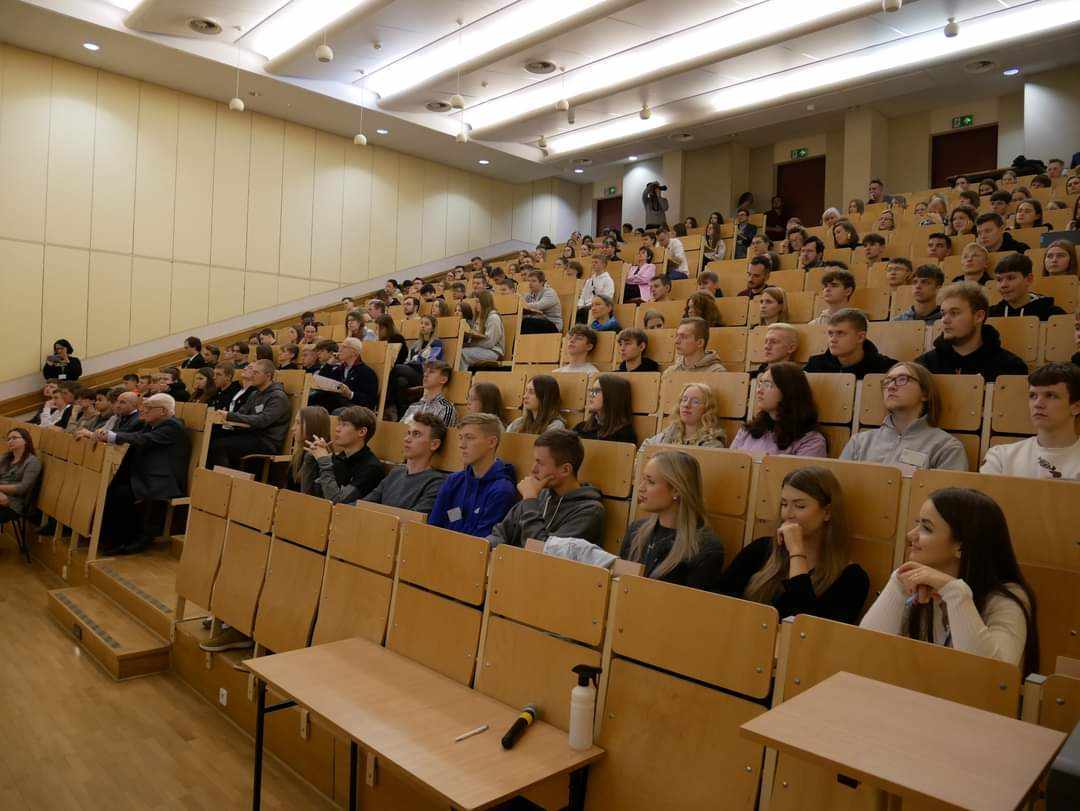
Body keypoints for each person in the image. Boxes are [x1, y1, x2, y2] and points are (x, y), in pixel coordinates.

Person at [860, 488, 1038, 673]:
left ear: (961, 546)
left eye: (926, 528)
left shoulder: (1007, 599)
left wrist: (954, 591)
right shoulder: (915, 583)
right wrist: (898, 583)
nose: (911, 535)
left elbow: (994, 675)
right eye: (917, 524)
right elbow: (865, 650)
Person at [717, 466, 869, 622]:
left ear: (827, 512)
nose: (788, 514)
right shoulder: (761, 549)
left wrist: (796, 551)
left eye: (800, 506)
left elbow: (802, 626)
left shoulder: (852, 578)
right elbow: (719, 600)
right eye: (784, 504)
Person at [97, 393, 190, 555]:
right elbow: (135, 435)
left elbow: (143, 439)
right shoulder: (153, 423)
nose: (143, 410)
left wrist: (112, 436)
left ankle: (130, 539)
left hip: (163, 480)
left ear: (163, 411)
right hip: (148, 473)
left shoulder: (173, 426)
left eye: (148, 408)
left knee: (121, 494)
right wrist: (108, 435)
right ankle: (111, 540)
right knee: (113, 488)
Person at [619, 451, 725, 590]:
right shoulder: (636, 530)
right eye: (643, 479)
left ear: (676, 490)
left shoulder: (706, 548)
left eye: (650, 482)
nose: (641, 488)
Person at [487, 429, 604, 549]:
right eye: (535, 461)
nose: (533, 469)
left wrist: (530, 500)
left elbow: (543, 551)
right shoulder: (540, 494)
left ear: (565, 470)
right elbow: (499, 534)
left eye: (540, 463)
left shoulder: (589, 511)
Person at [840, 362, 968, 471]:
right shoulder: (859, 442)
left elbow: (949, 493)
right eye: (887, 381)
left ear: (925, 393)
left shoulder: (946, 447)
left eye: (902, 379)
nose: (891, 387)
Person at [981, 362, 1080, 479]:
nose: (1038, 404)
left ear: (1076, 407)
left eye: (1050, 395)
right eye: (1033, 396)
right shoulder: (1001, 457)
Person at [915, 283, 1028, 381]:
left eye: (954, 313)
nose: (944, 320)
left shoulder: (1010, 368)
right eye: (943, 314)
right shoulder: (924, 366)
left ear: (979, 316)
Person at [427, 413, 517, 537]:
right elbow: (433, 526)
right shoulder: (453, 481)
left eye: (469, 438)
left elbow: (480, 542)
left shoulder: (502, 491)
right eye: (460, 438)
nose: (462, 445)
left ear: (491, 442)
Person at [206, 360, 291, 469]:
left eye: (256, 373)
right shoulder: (255, 394)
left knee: (219, 446)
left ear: (268, 375)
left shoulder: (278, 397)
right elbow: (241, 413)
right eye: (252, 372)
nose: (252, 375)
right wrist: (223, 416)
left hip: (266, 441)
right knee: (211, 438)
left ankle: (227, 478)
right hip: (250, 435)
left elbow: (262, 420)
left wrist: (230, 416)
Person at [731, 363, 826, 457]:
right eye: (760, 384)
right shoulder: (747, 431)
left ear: (788, 391)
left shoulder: (812, 442)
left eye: (767, 385)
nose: (759, 391)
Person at [363, 412, 448, 513]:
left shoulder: (436, 482)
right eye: (408, 433)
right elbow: (364, 504)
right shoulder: (396, 473)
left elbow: (413, 518)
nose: (407, 439)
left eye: (416, 434)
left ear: (434, 444)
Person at [303, 406, 385, 504]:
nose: (337, 429)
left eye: (344, 425)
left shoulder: (371, 468)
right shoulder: (337, 459)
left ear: (362, 432)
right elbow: (307, 494)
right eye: (339, 424)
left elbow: (337, 502)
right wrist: (311, 458)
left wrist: (324, 463)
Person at [804, 309, 897, 379]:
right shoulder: (814, 365)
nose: (832, 339)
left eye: (840, 333)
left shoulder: (887, 369)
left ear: (860, 337)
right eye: (830, 333)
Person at [642, 383, 726, 448]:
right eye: (684, 399)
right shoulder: (671, 432)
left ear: (707, 409)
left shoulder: (712, 445)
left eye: (695, 402)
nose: (686, 405)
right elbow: (646, 447)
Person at [309, 337, 379, 413]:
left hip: (355, 408)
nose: (340, 350)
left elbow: (369, 401)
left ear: (354, 352)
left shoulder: (366, 372)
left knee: (337, 411)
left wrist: (350, 394)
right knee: (310, 400)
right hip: (337, 403)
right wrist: (329, 364)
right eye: (340, 347)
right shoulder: (340, 369)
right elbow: (320, 382)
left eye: (344, 347)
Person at [989, 253, 1065, 320]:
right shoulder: (989, 315)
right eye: (999, 280)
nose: (1003, 285)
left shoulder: (1053, 315)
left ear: (1029, 279)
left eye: (1011, 278)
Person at [574, 374, 637, 444]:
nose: (591, 395)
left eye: (597, 391)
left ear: (612, 396)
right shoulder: (581, 428)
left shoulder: (625, 435)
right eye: (591, 390)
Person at [0, 428, 42, 528]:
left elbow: (22, 488)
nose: (10, 441)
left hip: (12, 505)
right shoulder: (5, 457)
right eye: (8, 439)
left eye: (14, 438)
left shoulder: (32, 462)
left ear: (25, 441)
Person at [400, 361, 458, 427]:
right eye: (425, 371)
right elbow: (400, 429)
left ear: (443, 380)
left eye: (431, 372)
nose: (425, 375)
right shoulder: (414, 406)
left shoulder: (446, 408)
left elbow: (440, 432)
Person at [289, 406, 331, 494]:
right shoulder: (299, 454)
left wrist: (309, 460)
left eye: (298, 423)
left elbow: (307, 495)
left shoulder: (319, 461)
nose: (293, 428)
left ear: (312, 427)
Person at [460, 290, 505, 369]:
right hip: (481, 348)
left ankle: (463, 376)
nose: (476, 305)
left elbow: (490, 343)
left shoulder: (493, 317)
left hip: (493, 351)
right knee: (457, 351)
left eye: (478, 302)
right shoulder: (479, 317)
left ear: (484, 303)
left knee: (462, 353)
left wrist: (471, 344)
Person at [520, 270, 563, 334]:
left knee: (526, 321)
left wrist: (523, 305)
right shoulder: (530, 294)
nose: (530, 283)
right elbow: (521, 302)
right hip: (539, 321)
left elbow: (539, 306)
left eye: (534, 281)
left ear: (542, 282)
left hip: (553, 324)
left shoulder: (550, 292)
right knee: (520, 321)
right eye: (529, 281)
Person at [576, 256, 615, 323]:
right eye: (592, 262)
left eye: (596, 262)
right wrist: (580, 305)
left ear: (603, 265)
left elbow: (607, 298)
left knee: (583, 311)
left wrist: (592, 305)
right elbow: (583, 296)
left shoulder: (608, 280)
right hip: (585, 306)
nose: (593, 264)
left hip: (597, 306)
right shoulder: (589, 280)